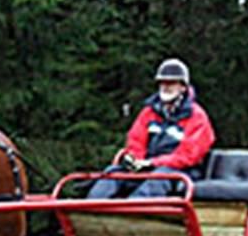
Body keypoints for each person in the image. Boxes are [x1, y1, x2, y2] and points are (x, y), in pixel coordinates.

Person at [88, 58, 216, 198]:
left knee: (159, 179)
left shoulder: (196, 117)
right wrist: (135, 160)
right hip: (147, 167)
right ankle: (86, 209)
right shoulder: (149, 112)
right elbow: (136, 140)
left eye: (171, 83)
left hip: (180, 171)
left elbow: (188, 155)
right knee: (113, 173)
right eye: (162, 83)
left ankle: (132, 213)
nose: (166, 87)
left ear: (183, 87)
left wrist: (152, 163)